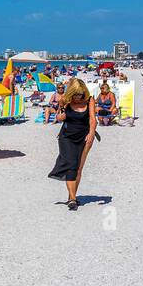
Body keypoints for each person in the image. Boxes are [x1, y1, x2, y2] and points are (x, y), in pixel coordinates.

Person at [47, 78, 97, 210]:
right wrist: (61, 114)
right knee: (71, 165)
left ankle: (71, 196)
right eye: (75, 94)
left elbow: (93, 119)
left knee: (79, 168)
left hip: (84, 137)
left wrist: (91, 133)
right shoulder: (65, 100)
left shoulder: (89, 100)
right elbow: (58, 117)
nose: (78, 97)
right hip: (67, 137)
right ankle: (73, 199)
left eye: (80, 94)